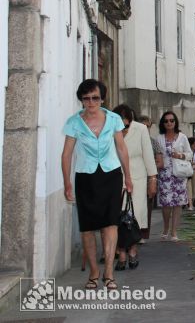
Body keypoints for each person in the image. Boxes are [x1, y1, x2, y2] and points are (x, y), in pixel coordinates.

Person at [62, 79, 133, 290]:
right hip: (85, 177)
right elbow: (66, 154)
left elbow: (121, 148)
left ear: (102, 98)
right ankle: (94, 272)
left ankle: (109, 272)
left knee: (111, 224)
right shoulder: (74, 122)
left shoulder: (113, 119)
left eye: (95, 97)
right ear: (81, 100)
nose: (91, 102)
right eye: (86, 98)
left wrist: (128, 176)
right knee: (87, 228)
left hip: (111, 175)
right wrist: (67, 183)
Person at [111, 105, 157, 269]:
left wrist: (152, 179)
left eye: (127, 125)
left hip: (137, 178)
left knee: (134, 217)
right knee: (119, 217)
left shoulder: (141, 129)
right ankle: (122, 253)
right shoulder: (108, 129)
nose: (124, 129)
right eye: (121, 126)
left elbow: (148, 154)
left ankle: (132, 250)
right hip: (115, 178)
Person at [156, 111, 192, 242]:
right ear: (163, 123)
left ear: (175, 122)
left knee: (178, 204)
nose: (169, 123)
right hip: (165, 174)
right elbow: (157, 155)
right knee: (166, 204)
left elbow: (190, 154)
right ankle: (165, 228)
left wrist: (180, 155)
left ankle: (174, 231)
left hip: (179, 174)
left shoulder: (182, 137)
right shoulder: (159, 138)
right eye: (166, 121)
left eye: (171, 120)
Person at [138, 115, 162, 242]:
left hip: (149, 179)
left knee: (147, 207)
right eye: (142, 125)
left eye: (147, 126)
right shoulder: (132, 139)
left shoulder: (153, 142)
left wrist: (149, 168)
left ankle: (143, 234)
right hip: (135, 176)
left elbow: (160, 162)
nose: (145, 128)